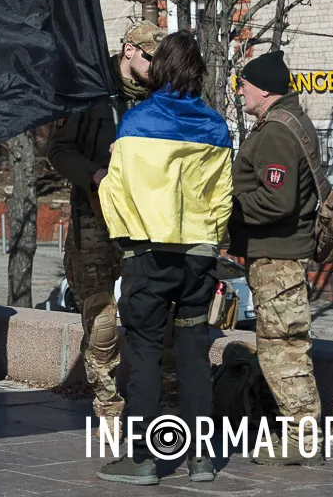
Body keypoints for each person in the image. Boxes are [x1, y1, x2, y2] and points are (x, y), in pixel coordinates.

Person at [95, 31, 232, 485]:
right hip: (198, 257)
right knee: (194, 356)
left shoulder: (137, 121)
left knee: (145, 354)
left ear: (162, 69)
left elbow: (115, 192)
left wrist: (126, 239)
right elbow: (223, 198)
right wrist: (209, 240)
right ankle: (202, 460)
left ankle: (141, 459)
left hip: (148, 254)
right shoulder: (216, 127)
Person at [48, 19, 163, 422]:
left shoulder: (157, 97)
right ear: (129, 49)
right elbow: (58, 150)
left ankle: (154, 404)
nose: (154, 66)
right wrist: (95, 175)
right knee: (101, 320)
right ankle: (109, 407)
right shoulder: (90, 88)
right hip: (95, 219)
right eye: (149, 57)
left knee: (151, 313)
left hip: (144, 219)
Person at [231, 50, 324, 466]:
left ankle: (303, 440)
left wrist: (229, 203)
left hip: (278, 260)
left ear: (264, 90)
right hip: (280, 257)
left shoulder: (274, 133)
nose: (241, 91)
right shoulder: (290, 122)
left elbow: (277, 201)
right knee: (282, 346)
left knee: (282, 351)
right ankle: (295, 433)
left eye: (245, 84)